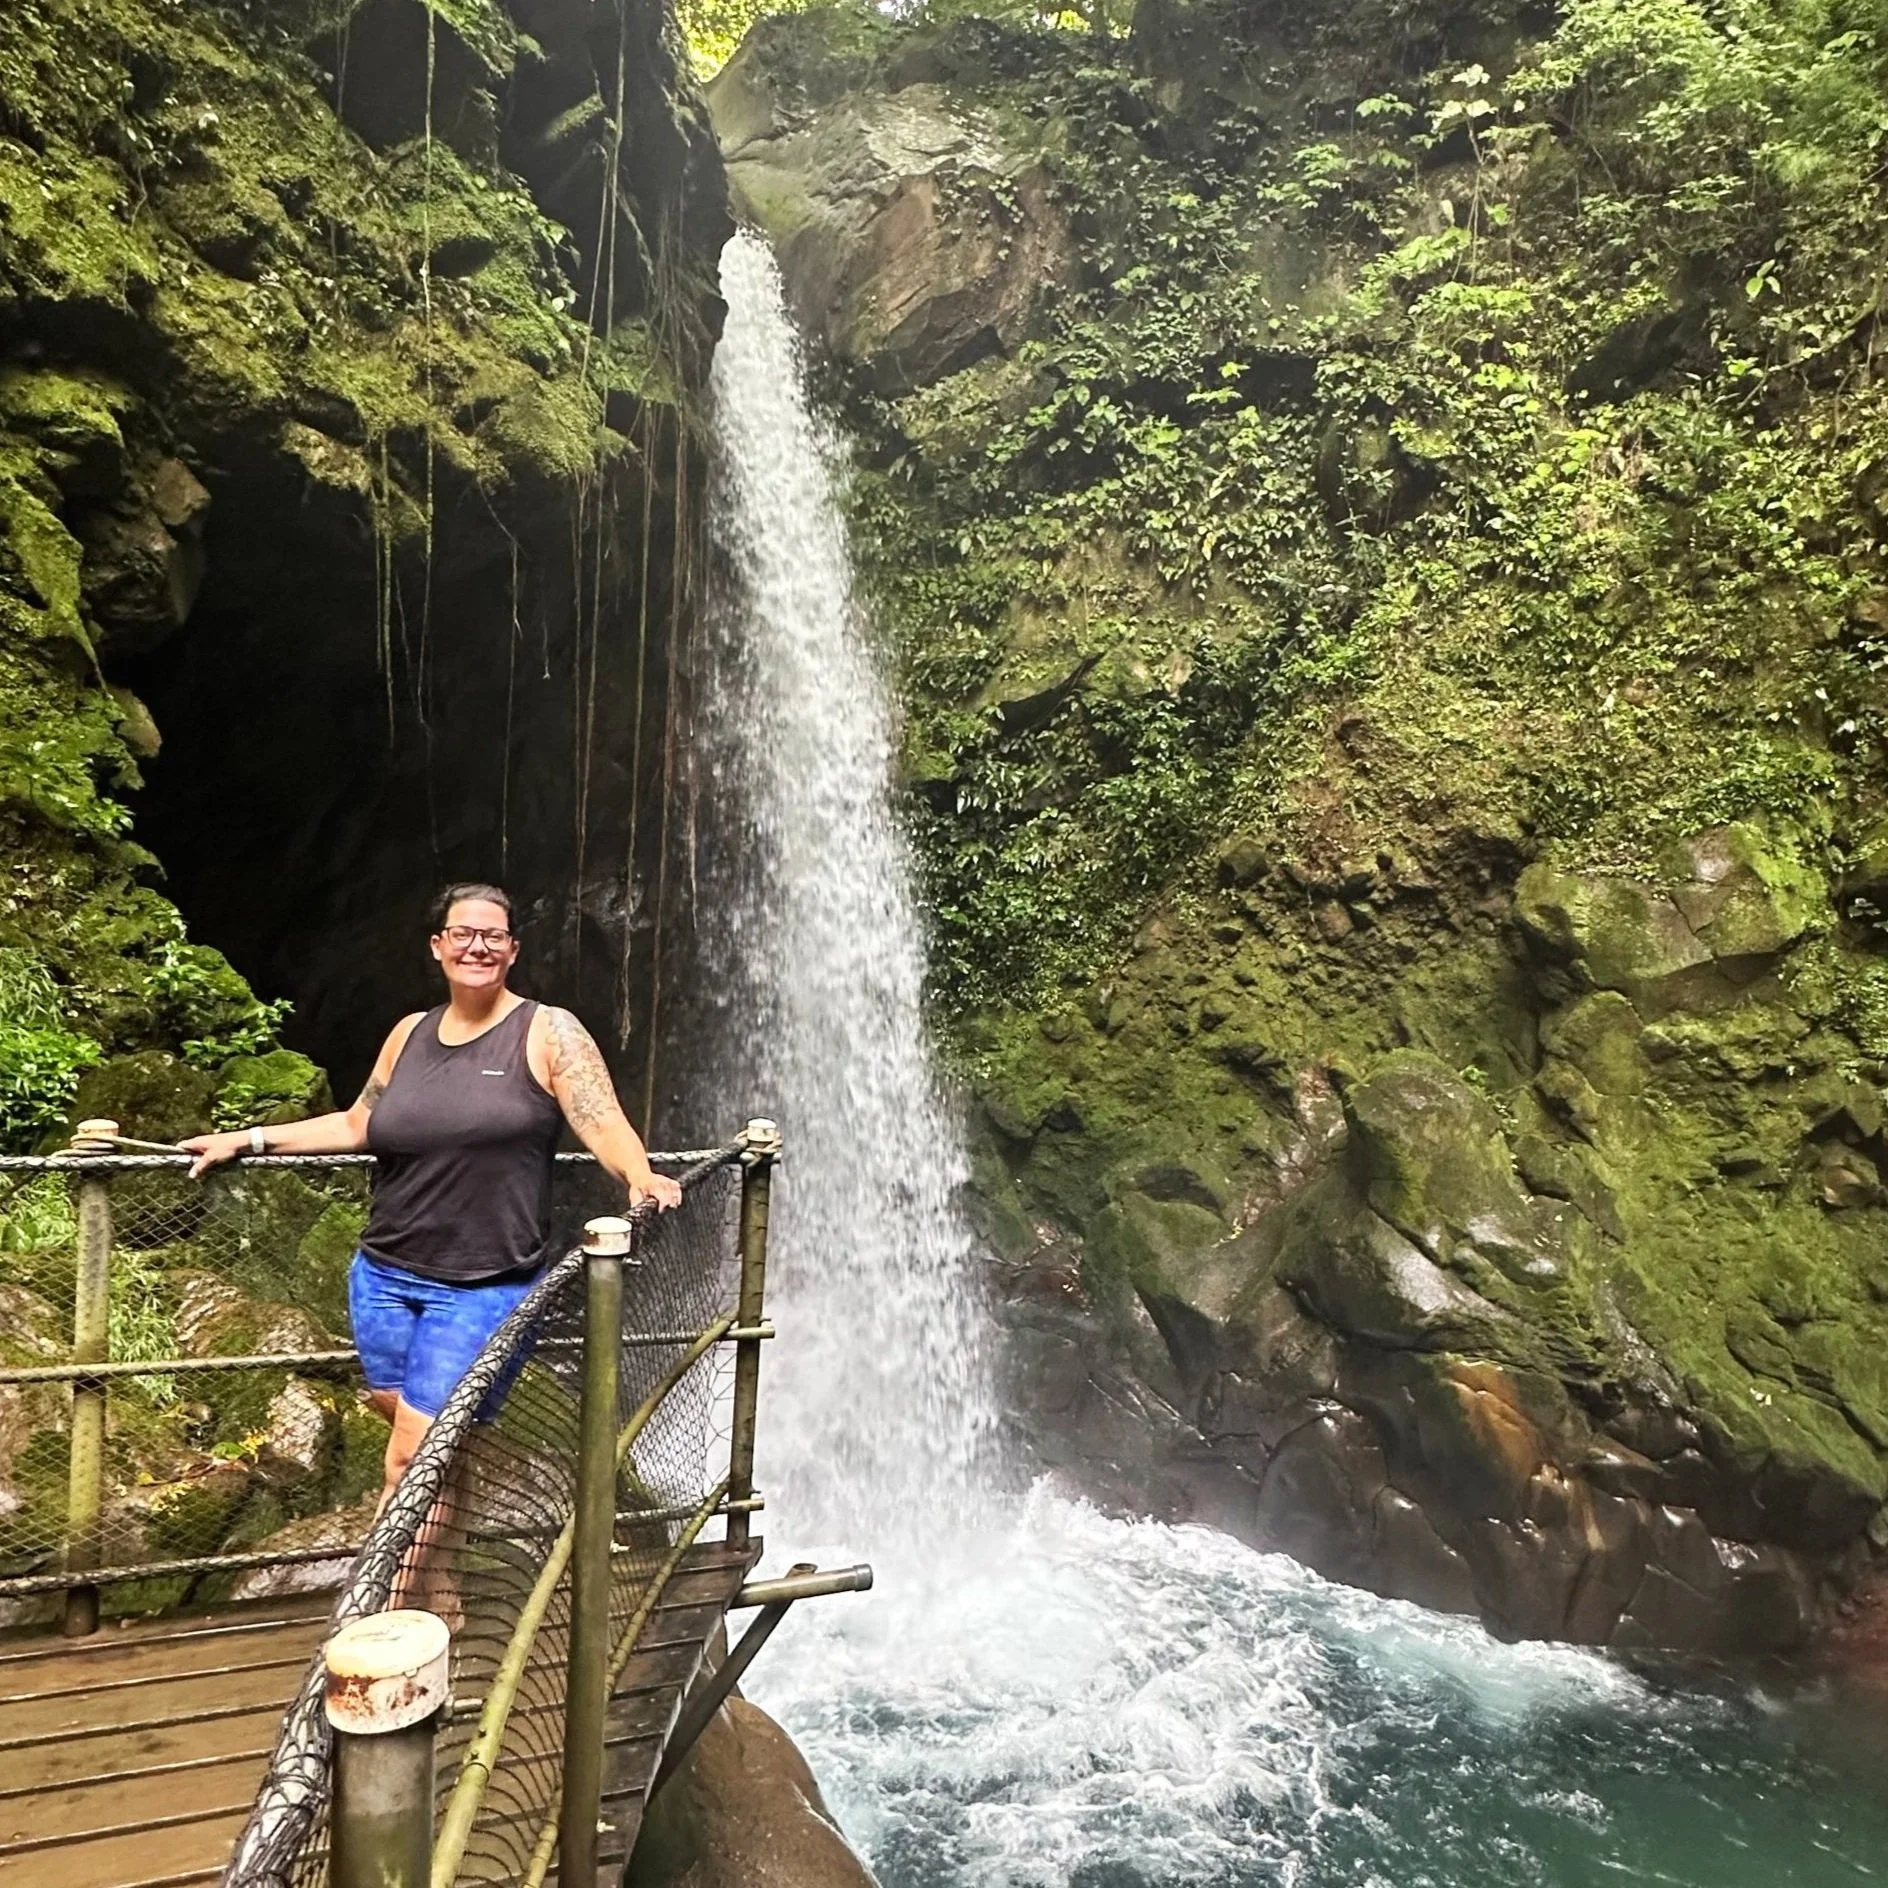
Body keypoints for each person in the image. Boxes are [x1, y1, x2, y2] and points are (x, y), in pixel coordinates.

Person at [182, 882, 682, 1514]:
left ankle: (385, 1608)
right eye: (464, 934)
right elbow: (355, 1125)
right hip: (383, 1275)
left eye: (493, 936)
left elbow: (600, 1118)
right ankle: (445, 1597)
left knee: (410, 1463)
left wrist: (638, 1175)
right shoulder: (408, 1034)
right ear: (438, 946)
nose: (478, 946)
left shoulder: (548, 1031)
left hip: (482, 1283)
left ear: (513, 950)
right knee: (431, 1440)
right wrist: (248, 1139)